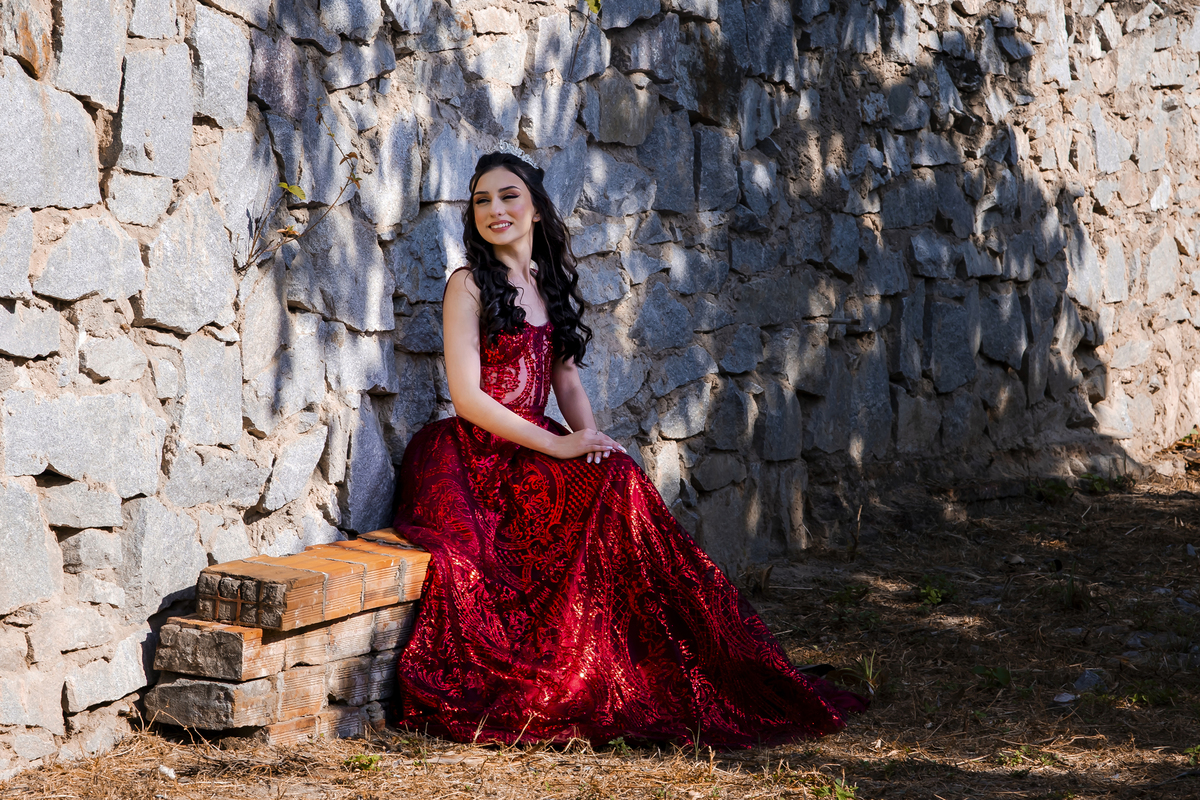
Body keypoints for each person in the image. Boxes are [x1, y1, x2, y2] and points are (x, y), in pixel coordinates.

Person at [391, 149, 866, 747]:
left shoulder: (546, 283)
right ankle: (602, 664)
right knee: (590, 494)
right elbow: (468, 399)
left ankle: (669, 658)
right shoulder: (468, 285)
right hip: (471, 459)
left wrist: (588, 440)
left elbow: (565, 381)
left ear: (536, 208)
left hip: (529, 449)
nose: (495, 209)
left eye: (508, 195)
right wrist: (559, 447)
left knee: (616, 475)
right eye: (482, 200)